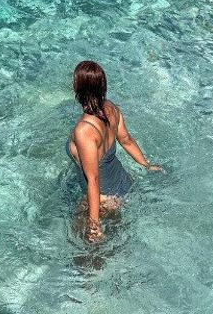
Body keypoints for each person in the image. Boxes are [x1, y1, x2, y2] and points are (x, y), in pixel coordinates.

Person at [68, 60, 164, 243]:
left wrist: (93, 225)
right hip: (124, 184)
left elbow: (93, 180)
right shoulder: (111, 108)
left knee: (85, 253)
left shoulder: (84, 130)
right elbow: (126, 140)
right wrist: (147, 165)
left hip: (104, 199)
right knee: (118, 244)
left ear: (78, 89)